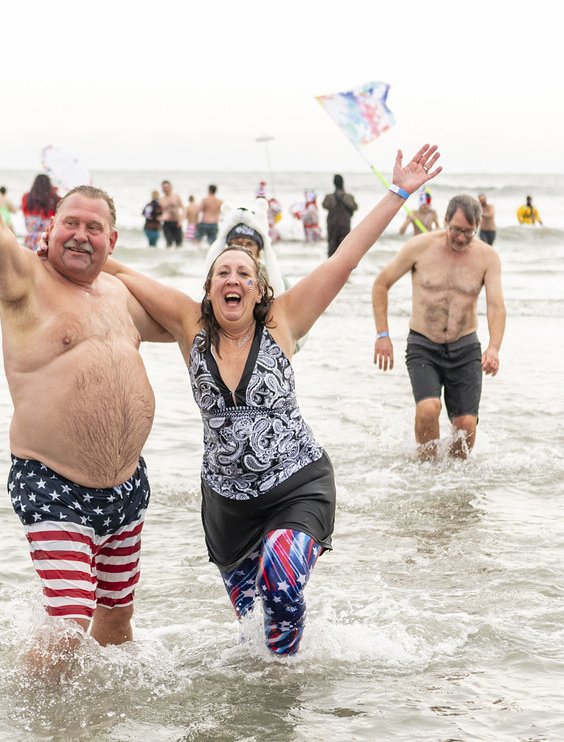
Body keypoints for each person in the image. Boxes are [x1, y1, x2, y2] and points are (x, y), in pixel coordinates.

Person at [105, 145, 442, 657]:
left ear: (260, 288)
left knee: (281, 585)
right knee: (256, 635)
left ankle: (288, 692)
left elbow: (346, 256)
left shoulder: (282, 320)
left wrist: (398, 192)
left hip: (296, 487)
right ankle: (276, 702)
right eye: (223, 272)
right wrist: (70, 248)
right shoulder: (188, 323)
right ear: (210, 287)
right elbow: (124, 275)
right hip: (227, 508)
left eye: (245, 273)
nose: (234, 279)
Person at [0, 124, 172, 677]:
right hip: (53, 482)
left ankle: (104, 728)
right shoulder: (25, 284)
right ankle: (32, 725)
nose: (80, 236)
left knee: (116, 616)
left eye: (94, 227)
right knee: (69, 617)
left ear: (112, 242)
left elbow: (188, 323)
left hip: (127, 485)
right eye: (70, 224)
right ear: (48, 230)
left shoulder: (120, 294)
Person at [372, 194, 506, 460]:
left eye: (468, 232)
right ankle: (427, 471)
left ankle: (453, 481)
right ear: (445, 220)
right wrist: (383, 335)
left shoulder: (487, 257)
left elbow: (496, 306)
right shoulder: (419, 247)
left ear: (477, 228)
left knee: (466, 424)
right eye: (455, 229)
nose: (460, 238)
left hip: (465, 345)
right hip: (423, 343)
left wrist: (493, 347)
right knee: (428, 409)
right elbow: (381, 284)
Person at [21, 173, 59, 250]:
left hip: (30, 238)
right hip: (47, 238)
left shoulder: (27, 197)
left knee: (30, 260)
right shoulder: (55, 199)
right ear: (49, 184)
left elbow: (25, 215)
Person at [322, 175, 358, 256]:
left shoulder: (329, 197)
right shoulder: (348, 197)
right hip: (344, 223)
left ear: (334, 183)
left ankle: (330, 266)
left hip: (332, 223)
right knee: (344, 246)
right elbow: (355, 207)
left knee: (332, 245)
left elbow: (324, 205)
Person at [160, 180, 184, 247]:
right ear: (162, 189)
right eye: (164, 187)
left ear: (171, 187)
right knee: (168, 243)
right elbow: (160, 214)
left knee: (179, 243)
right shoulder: (161, 200)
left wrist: (181, 220)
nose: (166, 189)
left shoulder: (176, 196)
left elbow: (183, 209)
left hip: (177, 223)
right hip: (167, 224)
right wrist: (164, 217)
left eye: (167, 187)